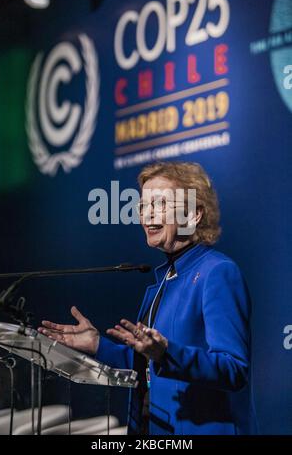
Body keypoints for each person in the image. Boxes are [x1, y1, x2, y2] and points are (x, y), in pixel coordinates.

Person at [38, 161, 257, 435]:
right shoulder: (164, 279)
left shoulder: (217, 272)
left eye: (160, 204)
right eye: (143, 206)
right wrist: (97, 346)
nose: (147, 215)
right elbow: (151, 364)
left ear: (193, 214)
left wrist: (167, 353)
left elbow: (233, 369)